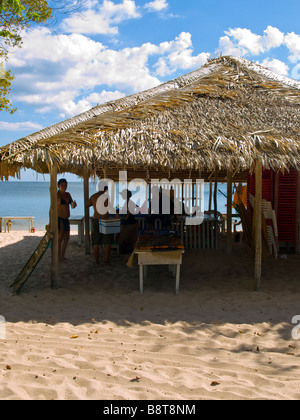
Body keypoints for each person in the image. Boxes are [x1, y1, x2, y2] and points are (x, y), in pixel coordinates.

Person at [86, 183, 115, 266]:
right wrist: (116, 216)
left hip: (96, 220)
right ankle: (106, 260)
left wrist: (94, 204)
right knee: (108, 241)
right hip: (105, 220)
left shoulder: (93, 196)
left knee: (96, 242)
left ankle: (97, 261)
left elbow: (86, 205)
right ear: (105, 189)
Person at [57, 178, 77, 262]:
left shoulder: (68, 194)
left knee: (66, 238)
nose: (64, 187)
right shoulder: (57, 194)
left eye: (65, 185)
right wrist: (68, 202)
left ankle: (62, 255)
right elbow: (60, 202)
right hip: (59, 217)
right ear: (58, 186)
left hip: (66, 218)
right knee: (60, 238)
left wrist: (73, 204)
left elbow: (71, 204)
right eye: (62, 186)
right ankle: (58, 257)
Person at [118, 189, 139, 254]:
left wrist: (126, 217)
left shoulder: (128, 202)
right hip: (132, 221)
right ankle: (128, 251)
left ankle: (126, 252)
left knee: (125, 238)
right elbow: (137, 207)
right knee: (130, 238)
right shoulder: (130, 201)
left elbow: (129, 210)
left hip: (129, 222)